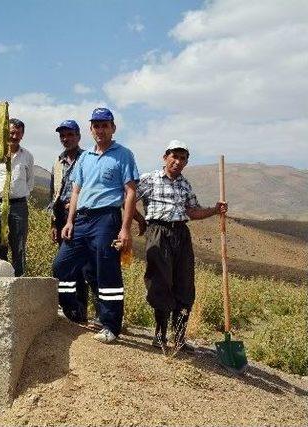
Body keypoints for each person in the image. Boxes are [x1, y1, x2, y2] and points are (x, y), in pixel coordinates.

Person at [52, 107, 139, 343]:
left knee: (106, 270)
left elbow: (130, 192)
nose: (100, 130)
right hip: (81, 219)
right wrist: (69, 221)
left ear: (113, 128)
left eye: (105, 125)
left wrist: (125, 228)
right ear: (90, 130)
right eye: (96, 126)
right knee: (61, 265)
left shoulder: (124, 154)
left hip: (106, 219)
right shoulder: (85, 158)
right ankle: (71, 309)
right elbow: (76, 190)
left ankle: (110, 324)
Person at [134, 140, 228, 351]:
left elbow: (192, 212)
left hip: (181, 234)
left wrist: (215, 210)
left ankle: (179, 338)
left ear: (186, 162)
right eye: (174, 156)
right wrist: (140, 220)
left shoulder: (185, 184)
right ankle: (159, 335)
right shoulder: (149, 179)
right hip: (158, 232)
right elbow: (127, 199)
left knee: (184, 284)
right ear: (165, 157)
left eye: (182, 158)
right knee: (160, 282)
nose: (178, 161)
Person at [49, 120, 96, 324]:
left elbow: (93, 186)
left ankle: (82, 309)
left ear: (78, 136)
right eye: (63, 136)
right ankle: (71, 308)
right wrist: (53, 223)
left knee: (84, 266)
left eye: (70, 135)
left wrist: (77, 204)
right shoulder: (58, 162)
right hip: (61, 217)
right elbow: (54, 193)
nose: (66, 139)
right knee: (65, 264)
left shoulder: (88, 158)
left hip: (81, 216)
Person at [0, 118, 35, 277]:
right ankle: (1, 281)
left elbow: (30, 182)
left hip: (19, 206)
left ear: (22, 135)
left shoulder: (27, 156)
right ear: (5, 133)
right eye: (11, 132)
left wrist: (17, 195)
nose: (14, 136)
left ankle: (20, 281)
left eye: (18, 133)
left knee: (19, 246)